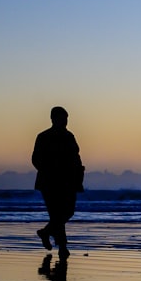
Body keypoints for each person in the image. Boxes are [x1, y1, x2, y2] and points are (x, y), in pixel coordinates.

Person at [32, 106, 84, 258]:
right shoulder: (43, 136)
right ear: (53, 119)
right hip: (49, 183)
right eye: (62, 118)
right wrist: (49, 170)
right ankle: (62, 248)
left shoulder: (69, 136)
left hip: (68, 182)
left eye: (66, 118)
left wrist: (79, 174)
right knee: (56, 215)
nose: (65, 121)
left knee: (67, 212)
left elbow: (76, 156)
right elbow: (35, 159)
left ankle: (45, 232)